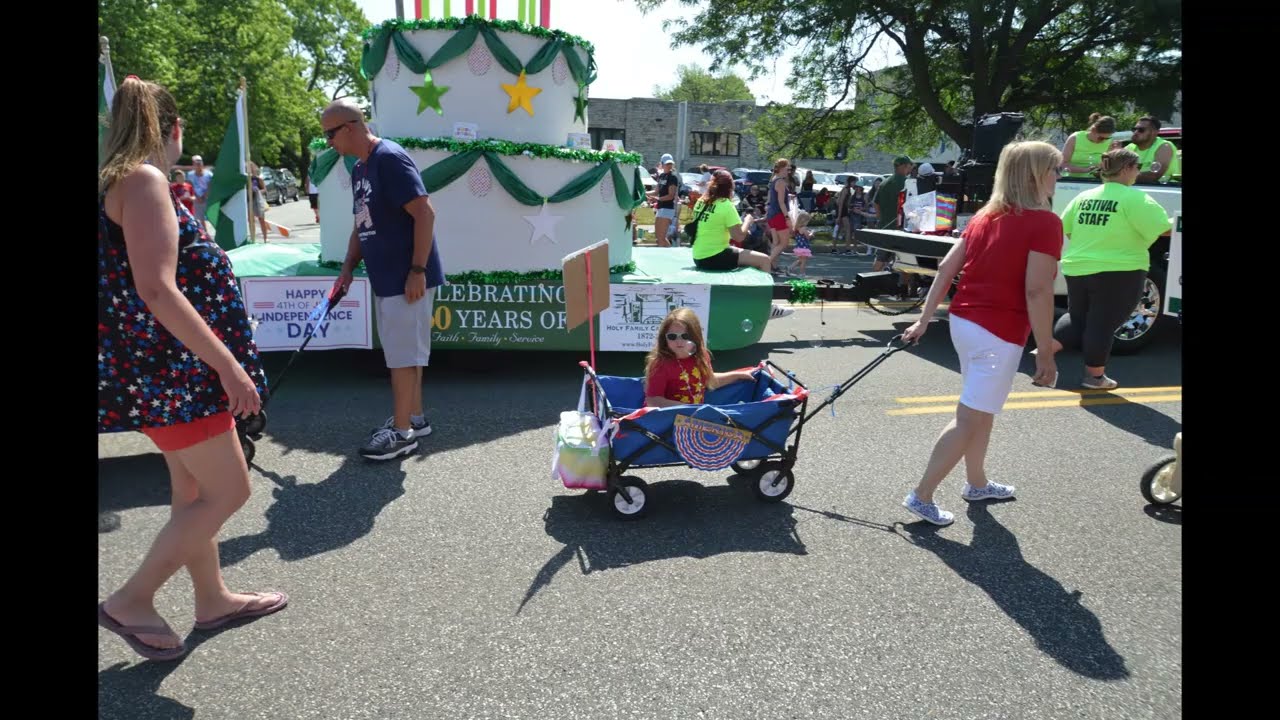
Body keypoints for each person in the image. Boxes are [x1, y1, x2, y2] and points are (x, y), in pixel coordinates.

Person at [97, 76, 281, 661]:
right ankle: (131, 600)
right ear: (172, 129)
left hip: (164, 372)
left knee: (194, 490)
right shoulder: (144, 181)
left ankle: (212, 599)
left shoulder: (122, 181)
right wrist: (229, 367)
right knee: (230, 490)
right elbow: (156, 289)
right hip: (178, 375)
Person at [899, 140, 1064, 527]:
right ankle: (921, 495)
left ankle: (977, 483)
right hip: (997, 332)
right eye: (1055, 169)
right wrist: (1045, 350)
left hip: (965, 323)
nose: (1059, 176)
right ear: (1036, 174)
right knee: (969, 417)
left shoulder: (983, 218)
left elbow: (945, 268)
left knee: (980, 410)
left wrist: (924, 320)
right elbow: (1037, 290)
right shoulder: (1044, 223)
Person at [323, 98, 447, 460]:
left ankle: (402, 432)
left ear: (350, 128)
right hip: (388, 276)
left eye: (330, 134)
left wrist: (417, 270)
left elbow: (425, 213)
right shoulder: (360, 168)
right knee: (407, 352)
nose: (329, 142)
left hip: (405, 277)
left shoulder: (389, 158)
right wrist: (347, 267)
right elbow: (361, 222)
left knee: (402, 357)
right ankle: (415, 419)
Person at [1051, 148, 1173, 389]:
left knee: (1078, 318)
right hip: (1120, 269)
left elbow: (1068, 228)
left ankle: (1043, 352)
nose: (1138, 172)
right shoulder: (1135, 198)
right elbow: (1164, 229)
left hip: (1077, 267)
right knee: (1103, 323)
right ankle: (1094, 377)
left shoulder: (1084, 197)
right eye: (1137, 167)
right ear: (1127, 169)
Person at [644, 307, 755, 407]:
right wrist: (689, 409)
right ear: (664, 338)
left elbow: (710, 381)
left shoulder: (700, 355)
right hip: (667, 418)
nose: (679, 341)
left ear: (695, 336)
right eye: (672, 336)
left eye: (685, 336)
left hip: (692, 417)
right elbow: (653, 401)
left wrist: (737, 375)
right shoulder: (660, 364)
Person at [1125, 116, 1180, 184]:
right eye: (1134, 129)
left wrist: (1122, 177)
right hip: (1135, 187)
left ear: (1154, 132)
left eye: (1141, 130)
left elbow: (1153, 175)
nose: (1136, 132)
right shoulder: (1129, 148)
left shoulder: (1164, 146)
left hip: (1164, 188)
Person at [1060, 113, 1116, 179]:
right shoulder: (1075, 138)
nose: (1104, 141)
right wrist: (1085, 170)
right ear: (1093, 130)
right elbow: (1062, 164)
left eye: (1107, 138)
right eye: (1101, 138)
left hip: (1096, 181)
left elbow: (1109, 167)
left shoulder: (1110, 142)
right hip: (1071, 181)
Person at [647, 154, 680, 248]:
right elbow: (656, 192)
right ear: (662, 164)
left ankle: (669, 254)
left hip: (668, 209)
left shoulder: (673, 177)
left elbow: (671, 196)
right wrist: (644, 193)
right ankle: (666, 252)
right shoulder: (661, 176)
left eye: (670, 164)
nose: (669, 166)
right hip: (661, 208)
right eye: (667, 164)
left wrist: (657, 199)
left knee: (661, 238)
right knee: (658, 238)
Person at [186, 154, 212, 230]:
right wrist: (197, 196)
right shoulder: (190, 175)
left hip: (207, 198)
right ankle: (203, 233)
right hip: (196, 199)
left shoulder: (209, 174)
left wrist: (204, 196)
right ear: (193, 164)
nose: (198, 164)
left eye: (199, 162)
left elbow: (210, 186)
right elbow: (190, 186)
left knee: (210, 217)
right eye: (196, 162)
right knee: (199, 218)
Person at [785, 210, 814, 277]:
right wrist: (812, 233)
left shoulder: (797, 228)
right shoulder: (803, 228)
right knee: (803, 261)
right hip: (804, 247)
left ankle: (790, 268)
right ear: (804, 221)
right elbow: (808, 237)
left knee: (800, 260)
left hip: (799, 247)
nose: (808, 223)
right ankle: (802, 273)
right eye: (807, 221)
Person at [248, 162, 271, 240]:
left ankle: (265, 238)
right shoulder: (245, 180)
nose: (250, 170)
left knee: (261, 219)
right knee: (251, 220)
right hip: (249, 201)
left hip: (258, 201)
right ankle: (253, 238)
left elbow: (264, 189)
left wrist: (257, 191)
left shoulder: (258, 179)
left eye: (251, 168)